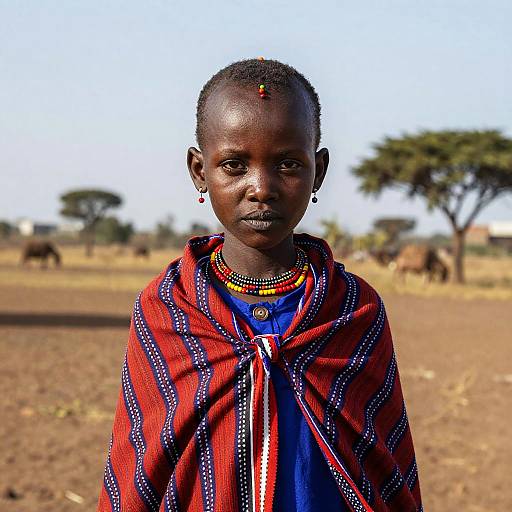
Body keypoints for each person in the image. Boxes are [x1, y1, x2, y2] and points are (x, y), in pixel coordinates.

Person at [97, 58, 422, 512]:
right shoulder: (167, 308)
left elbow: (388, 466)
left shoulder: (354, 310)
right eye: (234, 165)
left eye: (288, 164)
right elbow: (141, 465)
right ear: (199, 170)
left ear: (319, 171)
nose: (261, 187)